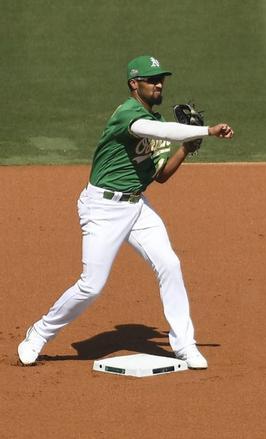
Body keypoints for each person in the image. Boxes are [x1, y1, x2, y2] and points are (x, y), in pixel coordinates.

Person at [17, 55, 234, 369]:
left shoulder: (159, 125)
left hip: (136, 207)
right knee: (91, 285)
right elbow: (151, 129)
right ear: (135, 84)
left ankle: (185, 345)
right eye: (151, 79)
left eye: (161, 79)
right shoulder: (126, 113)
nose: (159, 84)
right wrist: (206, 131)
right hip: (102, 208)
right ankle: (38, 333)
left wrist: (186, 149)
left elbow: (160, 175)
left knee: (169, 264)